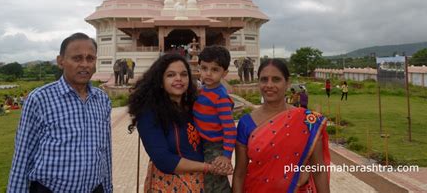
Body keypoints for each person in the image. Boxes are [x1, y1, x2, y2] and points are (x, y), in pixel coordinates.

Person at [7, 32, 112, 193]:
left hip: (94, 189)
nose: (85, 64)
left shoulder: (102, 100)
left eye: (90, 58)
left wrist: (108, 188)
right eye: (77, 58)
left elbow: (105, 151)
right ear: (60, 61)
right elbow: (23, 156)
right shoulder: (40, 99)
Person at [128, 53, 229, 192]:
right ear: (160, 81)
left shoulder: (194, 107)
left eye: (183, 74)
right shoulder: (149, 114)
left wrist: (224, 158)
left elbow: (219, 130)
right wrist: (209, 167)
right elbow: (164, 160)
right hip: (169, 185)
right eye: (170, 75)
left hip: (204, 184)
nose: (178, 79)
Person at [232, 59, 330, 193]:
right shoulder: (246, 123)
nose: (269, 85)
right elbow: (239, 174)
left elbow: (319, 171)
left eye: (276, 79)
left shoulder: (308, 121)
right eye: (264, 79)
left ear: (287, 83)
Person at [193, 45, 235, 193]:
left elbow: (230, 129)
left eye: (215, 69)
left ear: (225, 73)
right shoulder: (203, 90)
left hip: (215, 146)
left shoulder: (220, 97)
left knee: (214, 182)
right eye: (204, 68)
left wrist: (226, 156)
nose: (208, 73)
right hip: (203, 142)